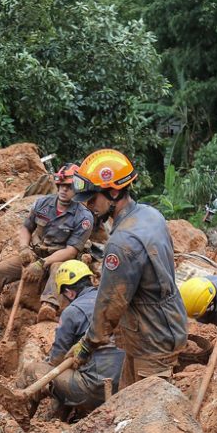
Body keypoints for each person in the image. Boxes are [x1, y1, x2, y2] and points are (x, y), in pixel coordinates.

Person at [66, 149, 187, 385]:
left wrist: (88, 343)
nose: (89, 206)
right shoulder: (150, 215)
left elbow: (110, 303)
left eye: (92, 199)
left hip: (153, 340)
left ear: (113, 191)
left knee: (149, 415)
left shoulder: (123, 243)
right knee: (127, 406)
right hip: (155, 328)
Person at [0, 163, 93, 323]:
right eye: (61, 185)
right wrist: (24, 249)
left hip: (61, 259)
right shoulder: (42, 204)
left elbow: (71, 251)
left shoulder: (83, 217)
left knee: (58, 268)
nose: (64, 190)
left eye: (69, 187)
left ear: (78, 189)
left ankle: (48, 307)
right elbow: (26, 228)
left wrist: (42, 264)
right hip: (35, 255)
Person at [19, 260, 124, 421]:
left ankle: (19, 420)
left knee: (33, 371)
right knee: (74, 372)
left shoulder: (73, 312)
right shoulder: (113, 301)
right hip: (123, 388)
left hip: (94, 390)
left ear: (69, 292)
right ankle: (57, 420)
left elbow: (56, 360)